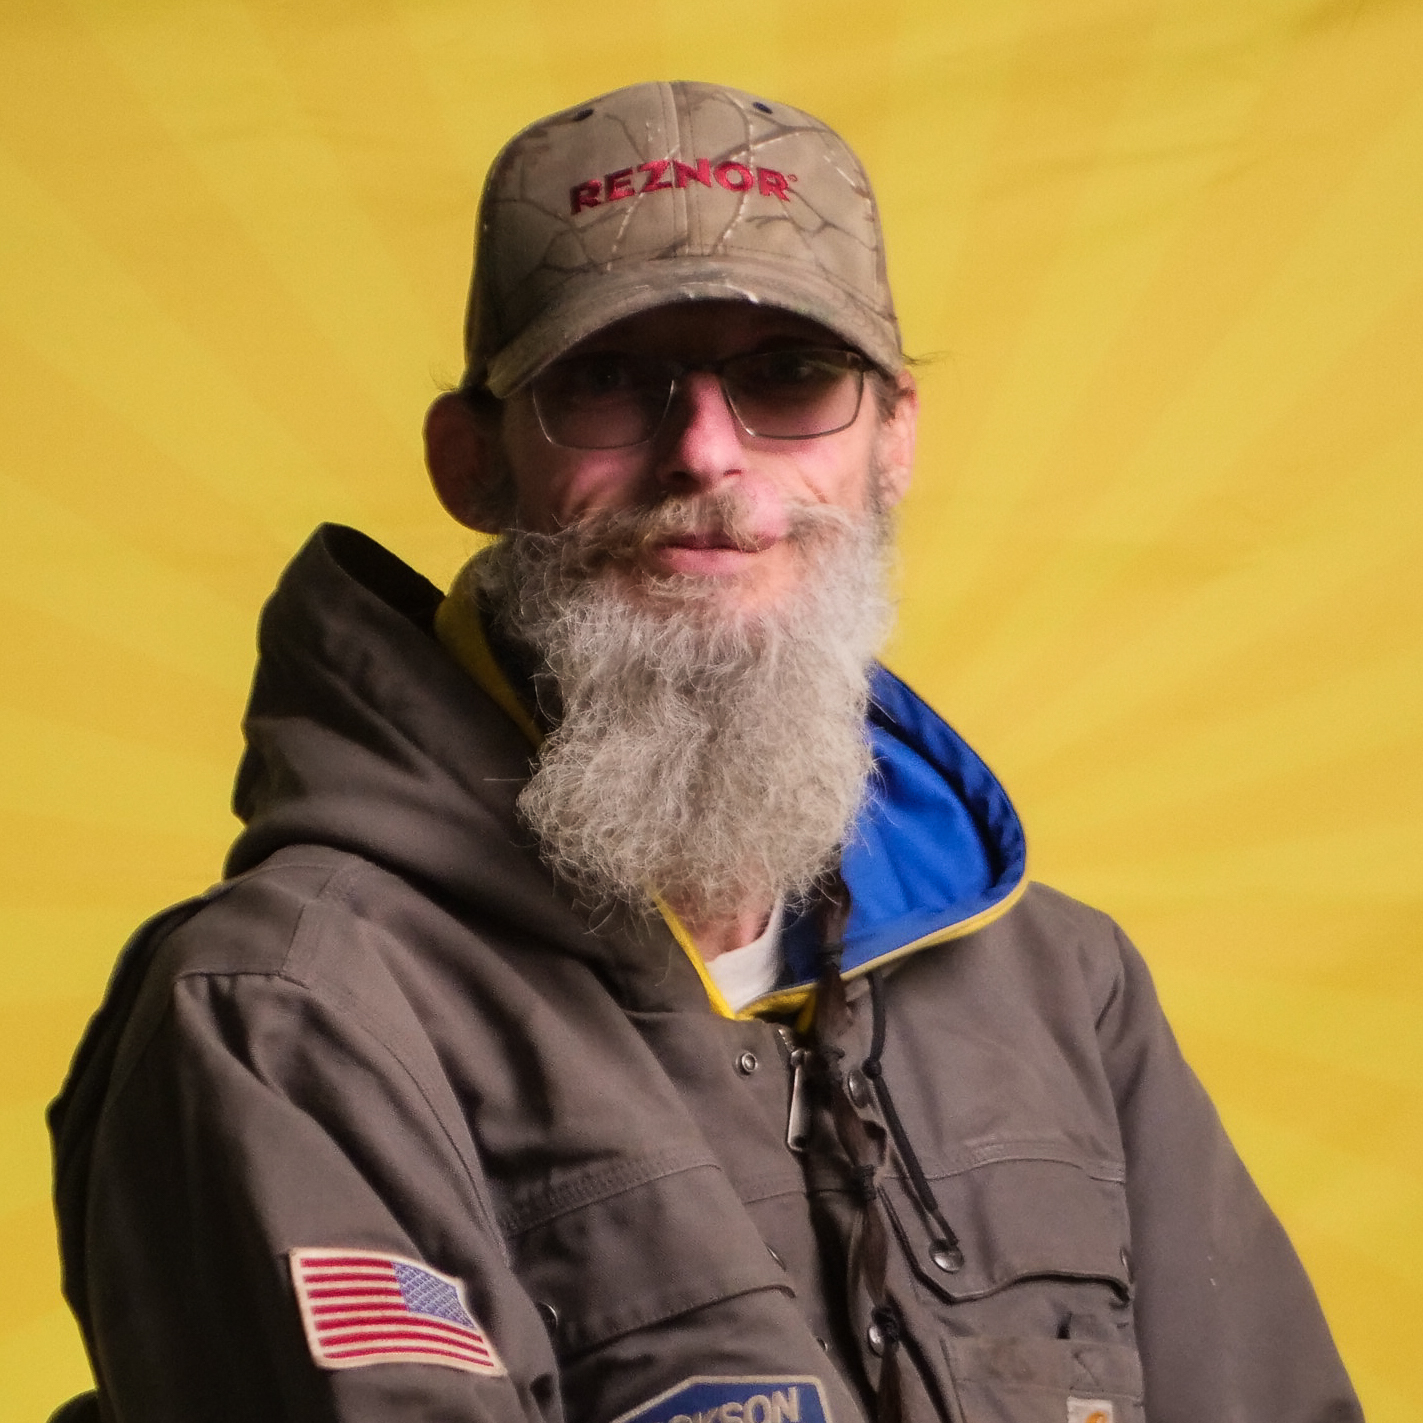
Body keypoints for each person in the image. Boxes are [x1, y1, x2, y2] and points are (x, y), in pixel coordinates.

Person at [48, 80, 1361, 1423]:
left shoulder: (1061, 988)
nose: (706, 453)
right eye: (606, 382)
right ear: (471, 462)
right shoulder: (290, 1011)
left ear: (894, 440)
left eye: (791, 378)